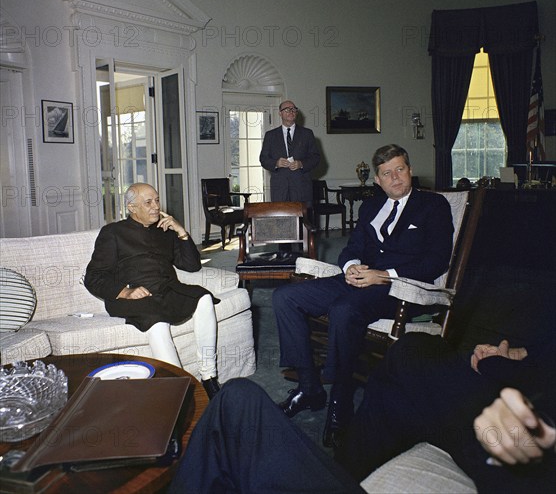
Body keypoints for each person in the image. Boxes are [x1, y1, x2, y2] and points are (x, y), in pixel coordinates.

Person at [168, 332, 556, 494]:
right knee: (409, 352)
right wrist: (518, 357)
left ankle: (334, 411)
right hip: (523, 403)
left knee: (238, 403)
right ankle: (347, 469)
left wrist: (500, 368)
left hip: (528, 447)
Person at [272, 143, 454, 447]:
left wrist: (383, 275)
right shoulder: (370, 207)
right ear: (378, 180)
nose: (395, 178)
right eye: (387, 173)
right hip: (358, 280)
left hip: (399, 288)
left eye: (400, 169)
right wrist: (352, 267)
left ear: (410, 171)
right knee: (285, 297)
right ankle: (309, 388)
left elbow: (435, 261)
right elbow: (352, 247)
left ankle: (339, 400)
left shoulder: (432, 206)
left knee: (344, 310)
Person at [84, 183, 221, 398]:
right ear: (131, 207)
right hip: (133, 295)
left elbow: (192, 266)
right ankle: (181, 387)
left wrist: (181, 232)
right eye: (148, 202)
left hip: (166, 289)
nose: (156, 207)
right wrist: (125, 292)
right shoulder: (113, 233)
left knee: (203, 297)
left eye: (157, 200)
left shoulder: (164, 231)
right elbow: (93, 277)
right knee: (156, 320)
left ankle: (209, 377)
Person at [259, 100, 321, 205]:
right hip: (279, 190)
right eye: (287, 109)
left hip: (302, 188)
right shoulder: (270, 135)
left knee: (303, 221)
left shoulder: (307, 134)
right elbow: (263, 159)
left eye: (293, 109)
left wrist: (301, 164)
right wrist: (276, 163)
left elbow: (315, 157)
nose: (291, 111)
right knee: (282, 220)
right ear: (280, 113)